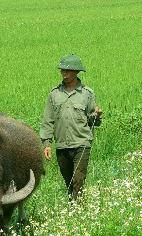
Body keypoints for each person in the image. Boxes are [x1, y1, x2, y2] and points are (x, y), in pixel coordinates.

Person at [39, 54, 103, 202]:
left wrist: (97, 115)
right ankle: (74, 207)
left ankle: (77, 210)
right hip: (62, 144)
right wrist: (46, 143)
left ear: (76, 72)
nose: (64, 73)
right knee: (69, 182)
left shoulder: (87, 94)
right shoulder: (54, 94)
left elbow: (93, 120)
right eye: (62, 70)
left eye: (67, 71)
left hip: (81, 143)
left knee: (78, 179)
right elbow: (48, 120)